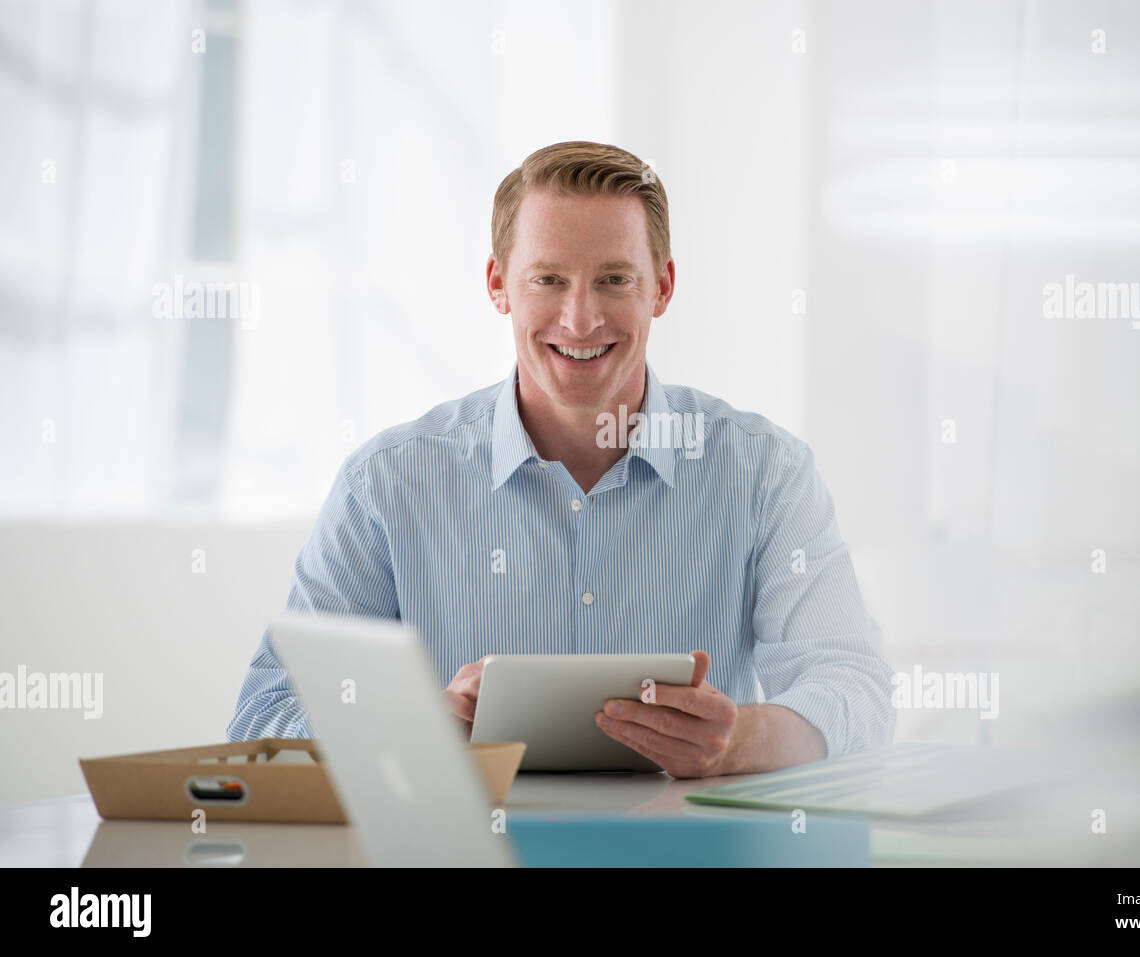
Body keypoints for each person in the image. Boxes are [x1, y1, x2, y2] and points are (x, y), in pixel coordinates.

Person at [227, 141, 895, 777]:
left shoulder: (764, 473)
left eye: (614, 279)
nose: (580, 319)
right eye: (549, 279)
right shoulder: (386, 484)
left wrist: (741, 738)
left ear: (661, 288)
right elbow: (265, 718)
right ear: (499, 285)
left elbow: (855, 690)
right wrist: (413, 727)